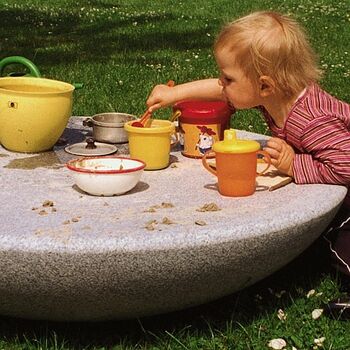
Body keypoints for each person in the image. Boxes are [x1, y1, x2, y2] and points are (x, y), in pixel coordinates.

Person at [146, 11, 350, 316]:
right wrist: (173, 93)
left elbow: (346, 166)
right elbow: (221, 91)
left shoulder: (311, 120)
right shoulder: (277, 95)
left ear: (265, 86)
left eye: (228, 78)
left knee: (339, 244)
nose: (221, 83)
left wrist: (295, 165)